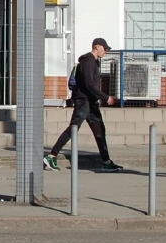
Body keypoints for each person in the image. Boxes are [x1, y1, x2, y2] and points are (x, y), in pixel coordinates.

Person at [45, 37, 123, 172]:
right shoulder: (88, 62)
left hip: (91, 103)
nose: (106, 51)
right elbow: (89, 84)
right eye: (105, 49)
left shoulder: (93, 62)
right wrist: (106, 97)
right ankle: (52, 155)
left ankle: (106, 161)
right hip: (84, 102)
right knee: (72, 129)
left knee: (100, 131)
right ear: (96, 46)